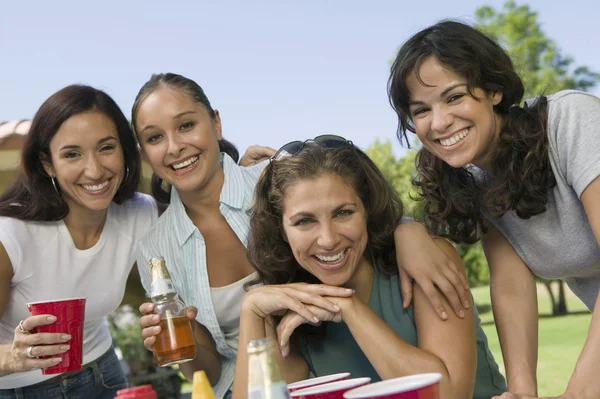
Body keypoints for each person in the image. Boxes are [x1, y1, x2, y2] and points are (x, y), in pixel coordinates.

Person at [132, 73, 472, 399]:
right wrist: (241, 314)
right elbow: (209, 373)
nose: (175, 146)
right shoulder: (157, 248)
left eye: (186, 125)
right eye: (154, 137)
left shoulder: (277, 179)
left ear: (215, 123)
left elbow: (343, 190)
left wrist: (407, 229)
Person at [387, 20, 600, 399]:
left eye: (454, 97)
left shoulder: (572, 121)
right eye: (421, 110)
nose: (439, 123)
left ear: (494, 91)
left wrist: (578, 392)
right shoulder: (472, 178)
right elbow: (511, 286)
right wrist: (521, 392)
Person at [231, 138, 507, 399]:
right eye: (304, 221)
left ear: (368, 210)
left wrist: (349, 309)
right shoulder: (293, 305)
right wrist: (251, 310)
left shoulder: (424, 261)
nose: (328, 239)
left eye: (343, 213)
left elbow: (447, 394)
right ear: (281, 230)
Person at [0, 85, 158, 398]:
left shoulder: (141, 213)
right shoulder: (12, 233)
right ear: (48, 164)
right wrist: (13, 356)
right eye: (72, 154)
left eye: (106, 148)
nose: (94, 170)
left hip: (103, 376)